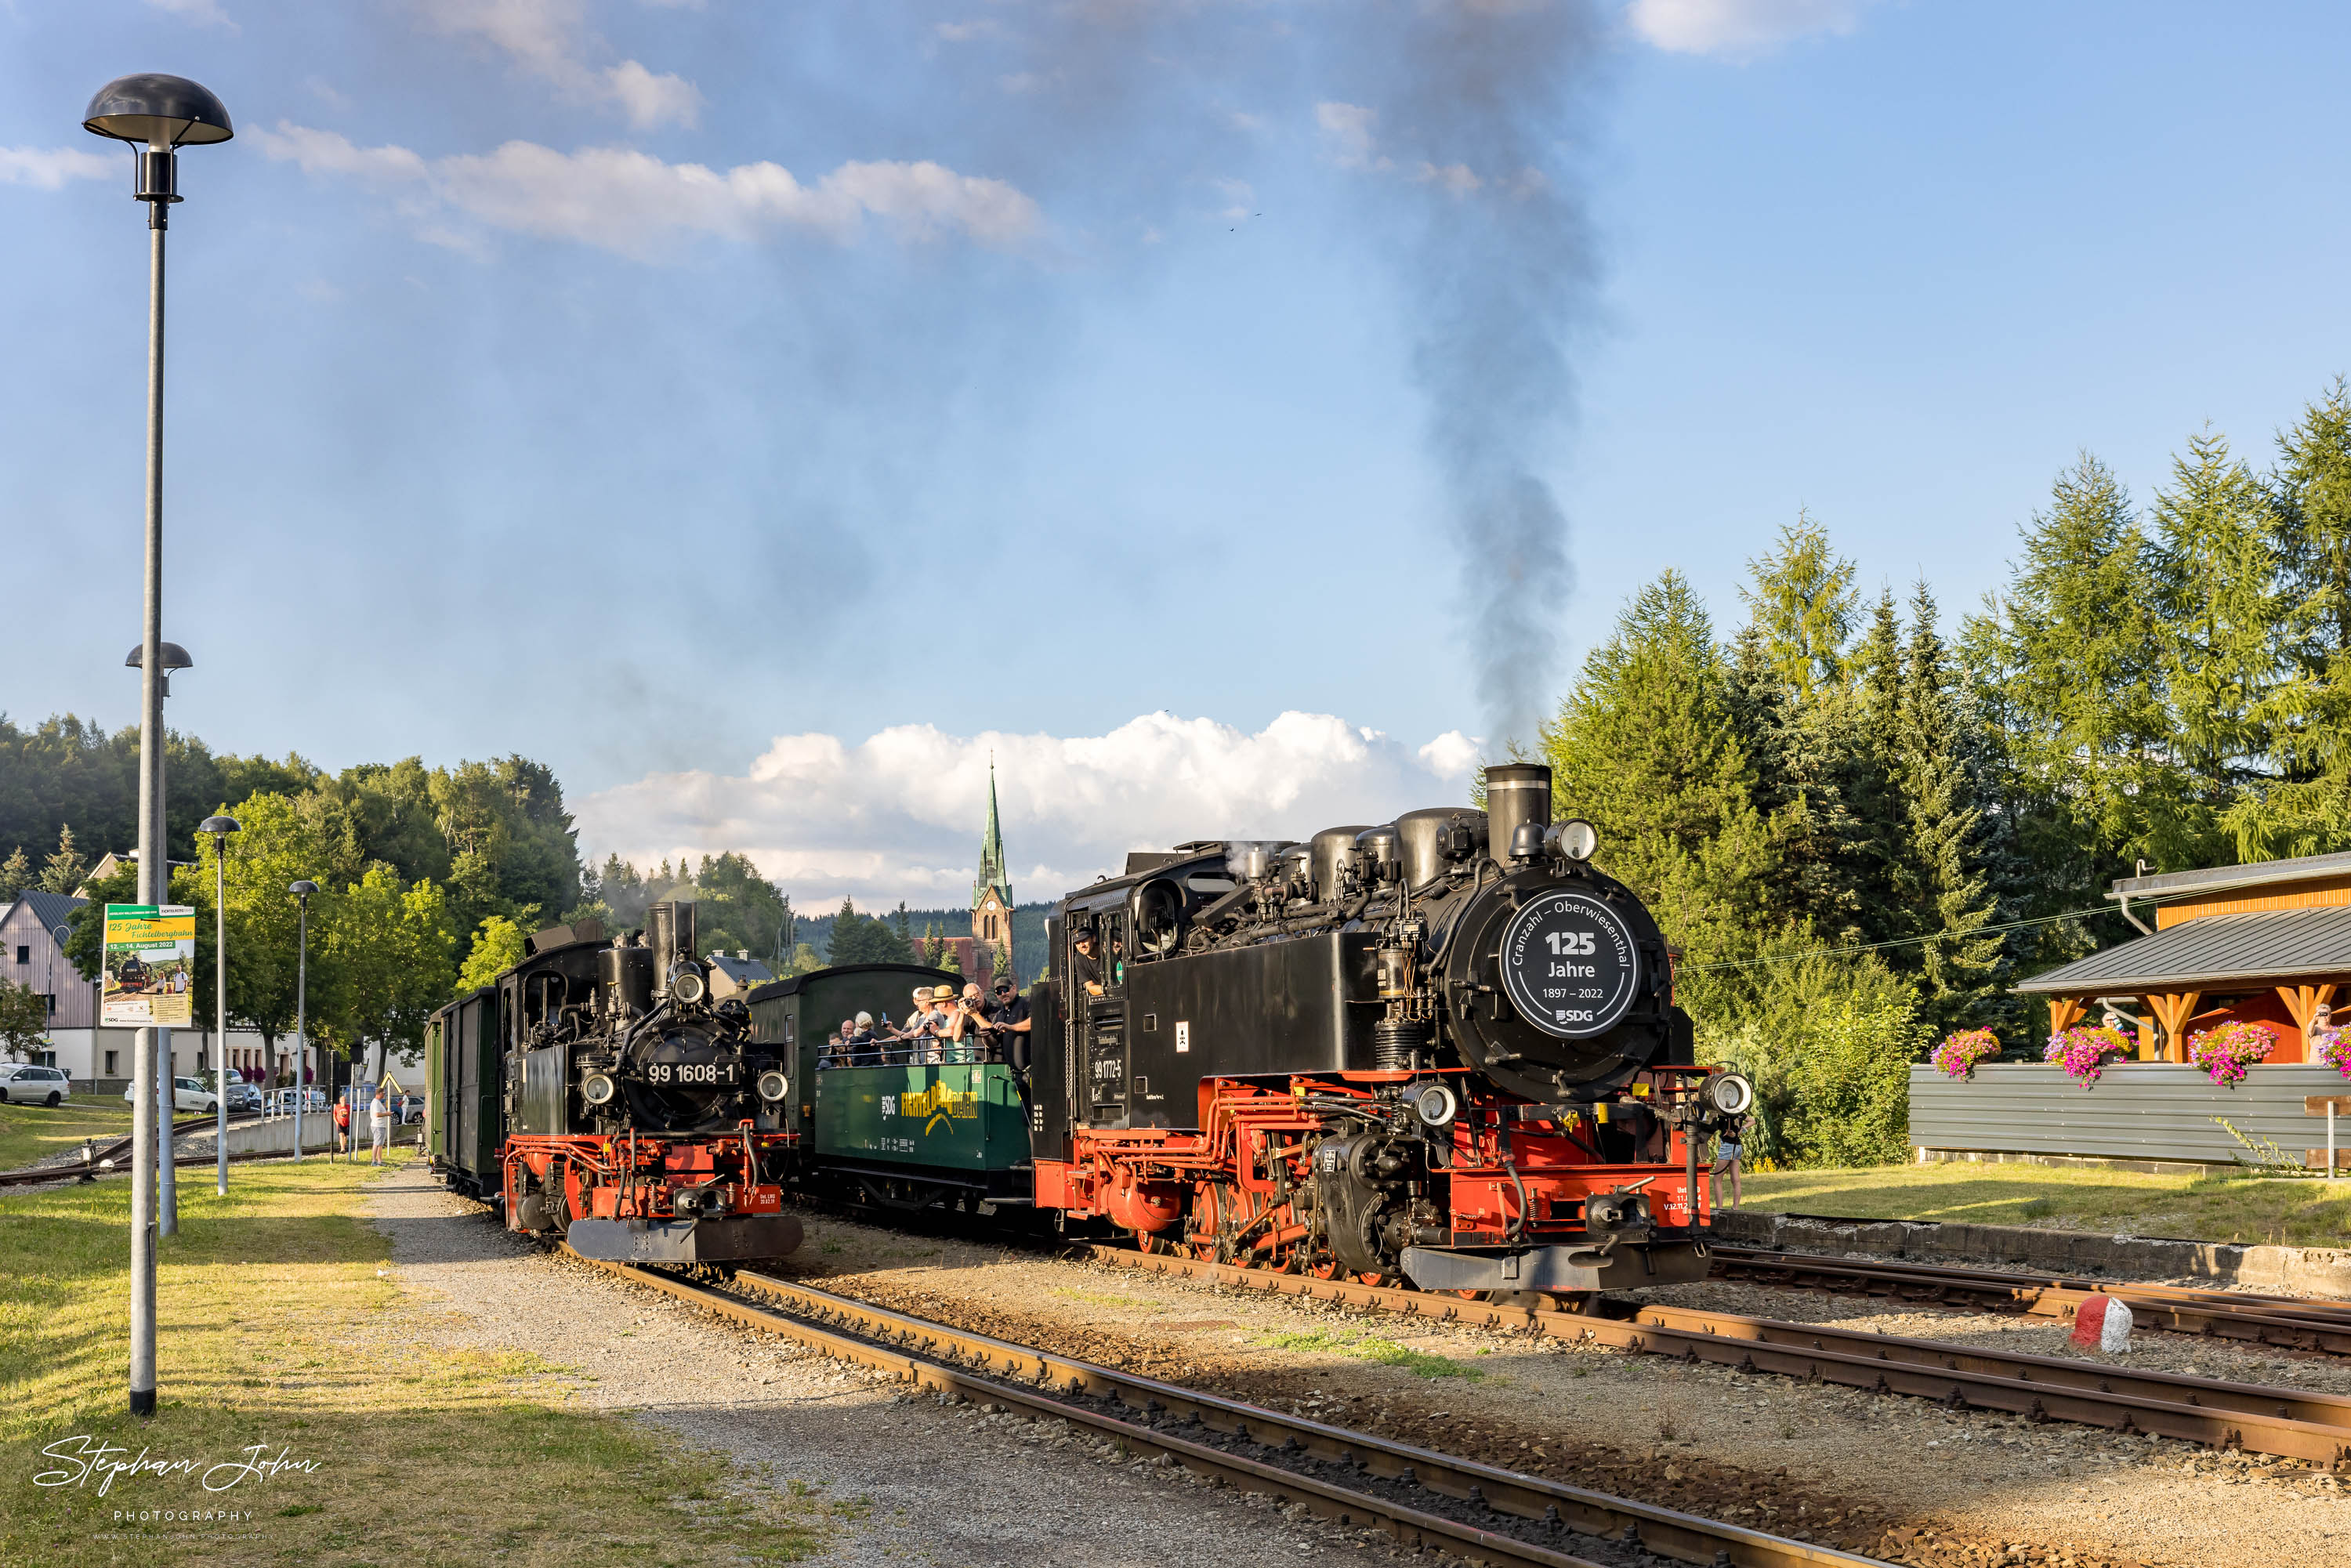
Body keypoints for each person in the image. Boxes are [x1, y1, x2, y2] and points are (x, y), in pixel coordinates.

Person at [984, 979, 1032, 1070]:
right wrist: (986, 1036)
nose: (1003, 994)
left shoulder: (1026, 1002)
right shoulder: (999, 1015)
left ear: (1014, 988)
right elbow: (993, 1043)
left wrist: (1010, 1027)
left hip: (1032, 1069)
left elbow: (1035, 1022)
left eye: (1005, 990)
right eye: (999, 992)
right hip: (1013, 1071)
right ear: (996, 996)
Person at [1710, 1124, 1743, 1212]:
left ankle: (1719, 1209)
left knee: (1717, 1179)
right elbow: (1752, 1121)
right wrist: (1742, 1129)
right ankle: (1735, 1208)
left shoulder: (1724, 1114)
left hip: (1728, 1147)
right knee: (1736, 1180)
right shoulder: (1738, 1112)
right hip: (1738, 1147)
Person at [1071, 931, 1103, 997]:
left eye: (1084, 940)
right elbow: (1090, 987)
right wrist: (1107, 989)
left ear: (1093, 938)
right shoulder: (1079, 959)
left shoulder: (1107, 950)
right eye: (1077, 943)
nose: (1082, 945)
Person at [369, 1089, 393, 1166]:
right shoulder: (376, 1102)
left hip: (380, 1126)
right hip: (378, 1126)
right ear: (379, 1093)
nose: (384, 1095)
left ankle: (379, 1161)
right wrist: (387, 1114)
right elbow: (377, 1114)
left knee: (380, 1144)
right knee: (376, 1143)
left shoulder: (378, 1102)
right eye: (383, 1093)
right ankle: (373, 1161)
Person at [333, 1092, 352, 1158]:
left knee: (345, 1138)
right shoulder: (337, 1107)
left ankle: (343, 1146)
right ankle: (342, 1149)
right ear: (340, 1101)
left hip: (346, 1124)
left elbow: (351, 1114)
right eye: (342, 1100)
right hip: (340, 1123)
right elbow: (334, 1115)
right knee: (341, 1135)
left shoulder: (348, 1107)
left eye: (344, 1100)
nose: (343, 1101)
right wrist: (336, 1122)